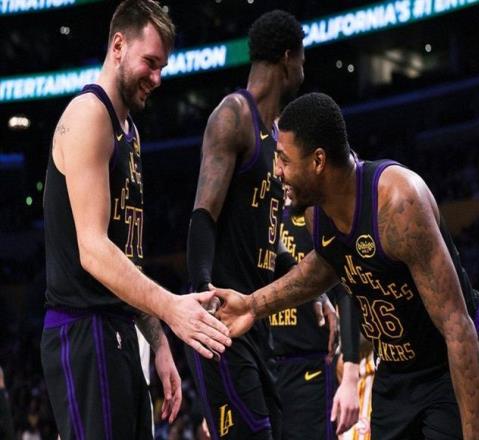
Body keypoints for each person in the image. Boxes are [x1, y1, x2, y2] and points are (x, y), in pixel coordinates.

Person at [214, 92, 479, 439]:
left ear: (318, 161)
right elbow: (325, 265)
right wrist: (252, 305)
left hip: (448, 362)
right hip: (395, 370)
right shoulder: (317, 214)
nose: (277, 172)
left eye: (284, 160)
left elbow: (458, 327)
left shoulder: (398, 204)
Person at [40, 1, 231, 439]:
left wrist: (158, 342)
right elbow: (93, 251)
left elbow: (128, 258)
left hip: (118, 327)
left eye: (162, 67)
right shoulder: (89, 115)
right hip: (83, 329)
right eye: (150, 62)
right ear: (118, 46)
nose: (157, 77)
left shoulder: (131, 131)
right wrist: (172, 309)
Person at [184, 10, 308, 439]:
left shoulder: (277, 135)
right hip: (223, 322)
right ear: (288, 58)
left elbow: (266, 239)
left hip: (254, 321)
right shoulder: (234, 115)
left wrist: (312, 290)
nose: (304, 71)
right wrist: (204, 294)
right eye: (302, 60)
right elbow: (203, 214)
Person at [270, 201, 360, 439]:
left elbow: (346, 288)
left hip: (310, 369)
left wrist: (350, 369)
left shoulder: (318, 211)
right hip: (263, 366)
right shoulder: (259, 211)